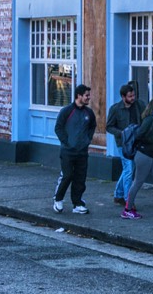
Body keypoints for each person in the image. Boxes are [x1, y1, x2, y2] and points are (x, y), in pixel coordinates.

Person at [53, 83, 96, 214]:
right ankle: (58, 199)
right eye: (86, 95)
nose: (89, 98)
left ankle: (77, 203)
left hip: (82, 151)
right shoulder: (66, 111)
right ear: (79, 96)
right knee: (67, 176)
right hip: (67, 151)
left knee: (80, 177)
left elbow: (92, 127)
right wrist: (66, 142)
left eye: (89, 95)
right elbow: (58, 128)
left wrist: (87, 141)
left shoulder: (89, 112)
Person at [105, 82, 146, 205]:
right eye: (130, 96)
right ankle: (129, 200)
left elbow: (145, 118)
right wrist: (121, 133)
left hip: (136, 142)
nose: (132, 98)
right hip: (123, 143)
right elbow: (109, 127)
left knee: (128, 169)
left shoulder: (139, 105)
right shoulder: (115, 109)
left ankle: (118, 195)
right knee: (128, 170)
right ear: (123, 97)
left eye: (133, 95)